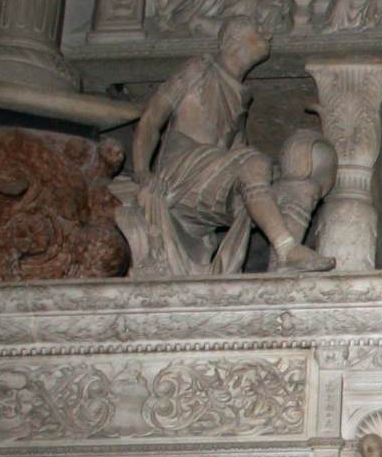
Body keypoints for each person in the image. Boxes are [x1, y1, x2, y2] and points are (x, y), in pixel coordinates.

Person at [123, 18, 337, 276]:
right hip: (181, 174)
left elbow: (241, 164)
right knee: (254, 162)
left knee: (299, 179)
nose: (267, 35)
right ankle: (286, 247)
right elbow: (150, 120)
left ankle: (281, 269)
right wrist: (142, 171)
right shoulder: (199, 70)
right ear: (233, 41)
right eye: (258, 30)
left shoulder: (239, 95)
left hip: (213, 179)